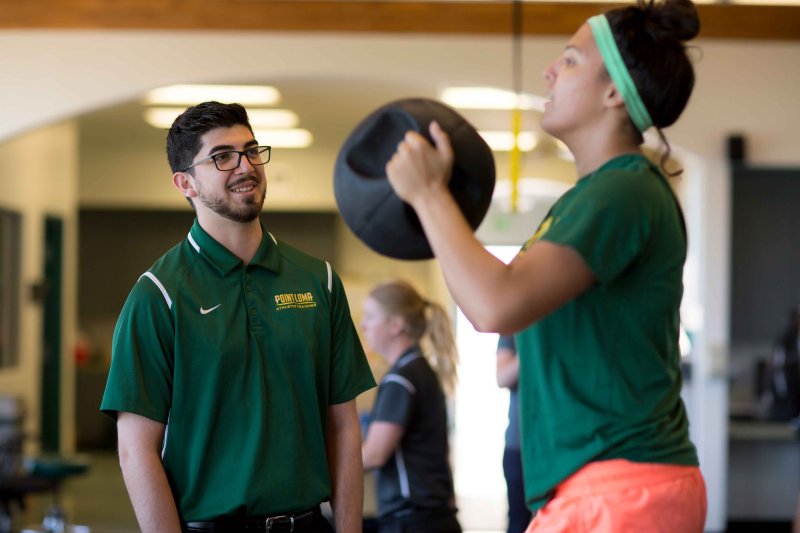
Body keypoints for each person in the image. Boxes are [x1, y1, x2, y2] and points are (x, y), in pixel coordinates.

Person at [384, 0, 707, 530]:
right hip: (596, 483)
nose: (549, 71)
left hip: (623, 487)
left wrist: (429, 195)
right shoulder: (590, 197)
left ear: (612, 92)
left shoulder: (622, 191)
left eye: (571, 60)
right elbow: (481, 298)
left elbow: (496, 306)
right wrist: (441, 207)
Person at [100, 101, 376, 533]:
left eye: (251, 151)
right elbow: (136, 451)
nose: (245, 166)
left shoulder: (318, 280)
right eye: (222, 157)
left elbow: (342, 426)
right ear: (185, 183)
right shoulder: (157, 295)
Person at [360, 280, 461, 533]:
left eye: (370, 317)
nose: (363, 325)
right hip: (433, 515)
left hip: (413, 519)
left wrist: (320, 473)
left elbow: (374, 453)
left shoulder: (401, 379)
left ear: (396, 325)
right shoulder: (420, 369)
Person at [496, 335, 532, 533]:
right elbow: (502, 376)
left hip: (564, 443)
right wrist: (535, 345)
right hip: (520, 445)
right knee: (519, 523)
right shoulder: (516, 326)